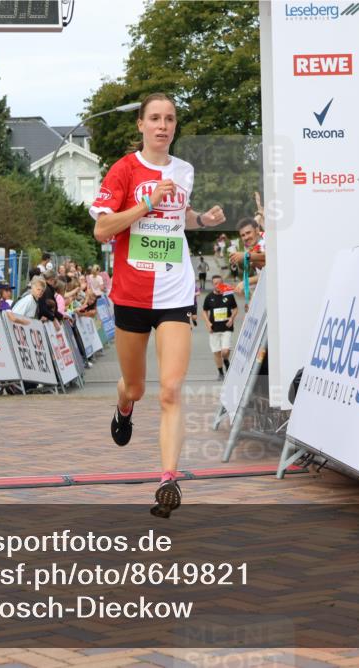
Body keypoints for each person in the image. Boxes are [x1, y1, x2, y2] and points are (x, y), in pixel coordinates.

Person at [90, 92, 226, 518]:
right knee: (138, 387)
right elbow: (102, 229)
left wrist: (201, 220)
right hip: (131, 292)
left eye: (169, 119)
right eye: (155, 118)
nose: (163, 126)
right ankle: (124, 404)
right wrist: (146, 202)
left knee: (170, 390)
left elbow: (177, 214)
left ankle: (168, 480)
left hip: (175, 291)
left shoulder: (184, 170)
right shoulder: (124, 169)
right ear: (141, 126)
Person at [201, 276, 237, 380]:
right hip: (214, 329)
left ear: (223, 284)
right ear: (213, 284)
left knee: (225, 351)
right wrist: (208, 323)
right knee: (216, 352)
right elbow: (204, 311)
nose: (218, 285)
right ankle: (221, 373)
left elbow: (235, 309)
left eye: (220, 283)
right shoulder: (209, 297)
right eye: (215, 283)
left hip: (226, 328)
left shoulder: (229, 295)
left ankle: (226, 360)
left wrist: (231, 318)